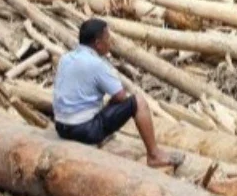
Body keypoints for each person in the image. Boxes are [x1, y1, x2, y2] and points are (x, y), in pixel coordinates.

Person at [52, 18, 180, 168]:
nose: (110, 42)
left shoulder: (65, 58)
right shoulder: (97, 65)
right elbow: (120, 96)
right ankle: (153, 154)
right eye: (107, 38)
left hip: (61, 126)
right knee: (138, 101)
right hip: (84, 131)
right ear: (98, 44)